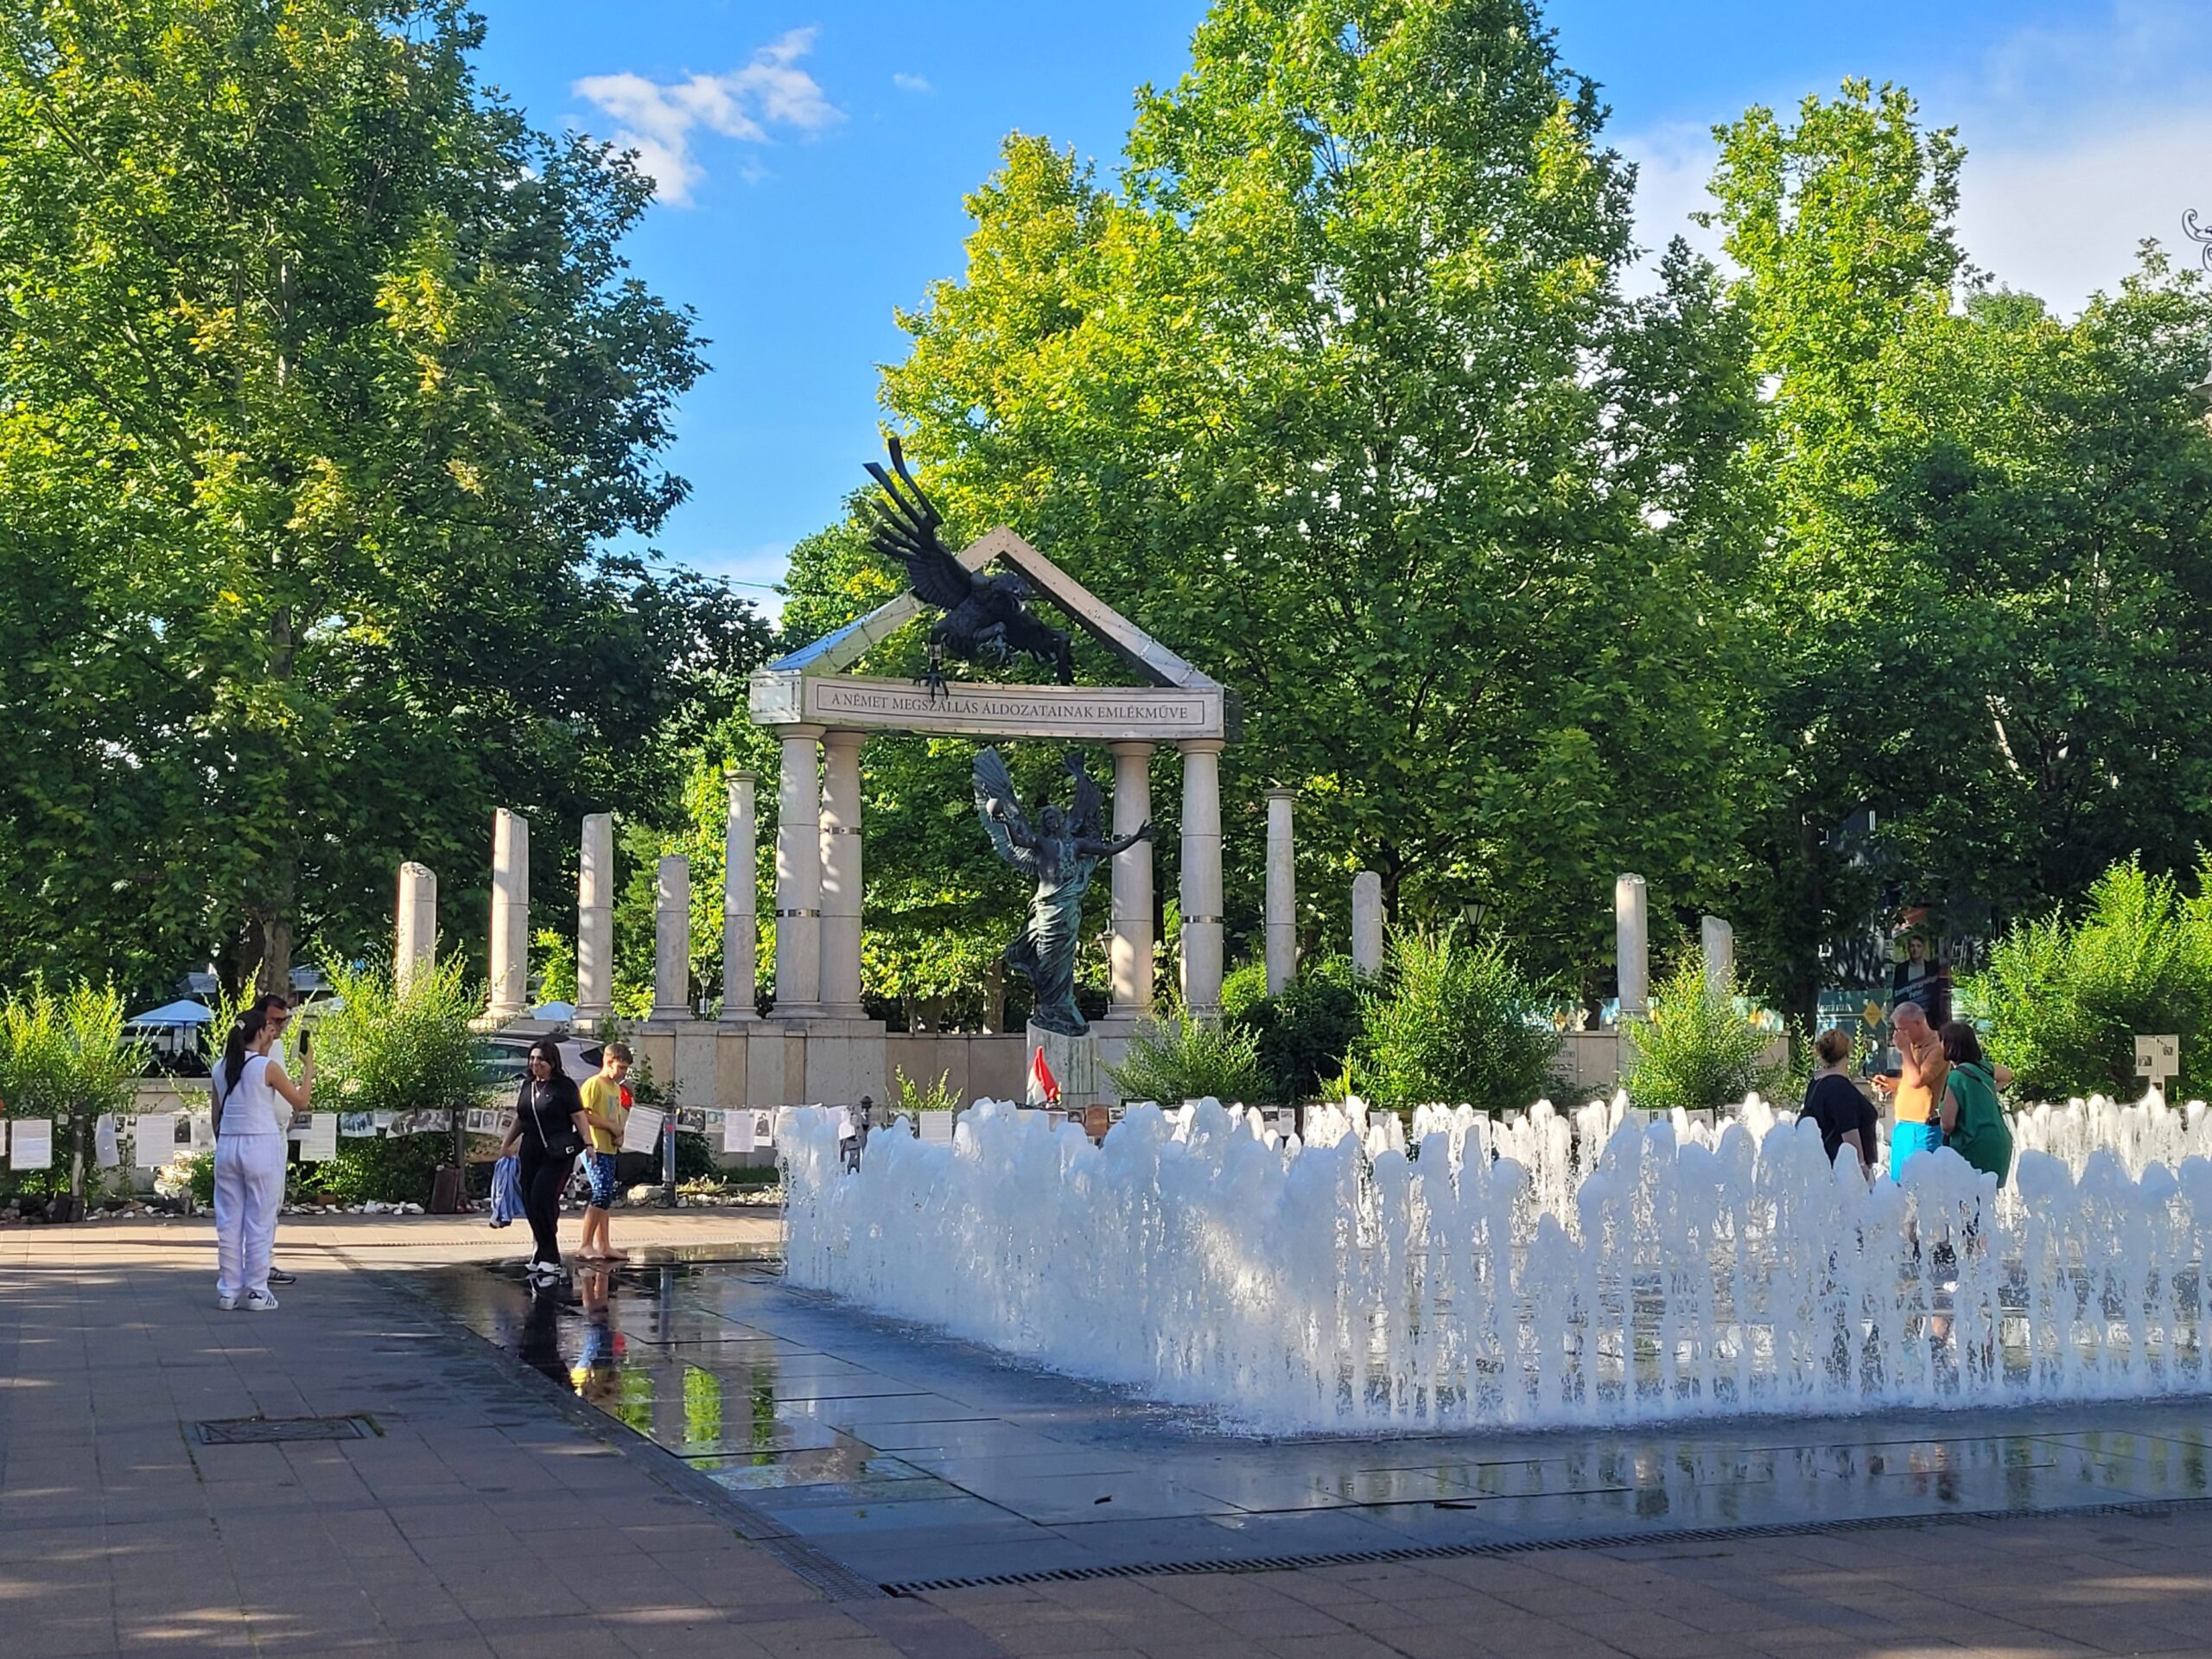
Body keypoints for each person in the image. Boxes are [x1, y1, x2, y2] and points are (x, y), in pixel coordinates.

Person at [213, 1004, 313, 1311]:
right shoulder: (266, 1067)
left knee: (229, 1221)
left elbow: (215, 1115)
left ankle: (227, 1291)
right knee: (260, 1219)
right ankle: (257, 1290)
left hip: (228, 1144)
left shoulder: (220, 1066)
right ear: (260, 1032)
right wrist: (309, 1067)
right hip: (260, 1144)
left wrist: (225, 1143)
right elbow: (301, 1102)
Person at [498, 1038, 588, 1282]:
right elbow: (520, 1118)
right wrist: (507, 1144)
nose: (536, 1063)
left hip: (557, 1153)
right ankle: (541, 1252)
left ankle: (551, 1256)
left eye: (541, 1060)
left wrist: (589, 1144)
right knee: (529, 1201)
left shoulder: (564, 1087)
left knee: (542, 1198)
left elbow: (578, 1117)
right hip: (530, 1151)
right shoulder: (528, 1085)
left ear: (552, 1062)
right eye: (533, 1059)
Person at [1872, 1000, 1948, 1181]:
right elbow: (1909, 1081)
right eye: (1897, 1030)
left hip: (1922, 1127)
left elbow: (1918, 1081)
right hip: (1903, 1126)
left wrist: (1905, 1049)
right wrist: (1891, 1083)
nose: (1899, 1035)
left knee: (1919, 1185)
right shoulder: (1915, 1047)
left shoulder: (1938, 1049)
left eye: (1903, 1029)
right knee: (1897, 1184)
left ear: (1919, 1023)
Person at [1938, 1020, 2013, 1188]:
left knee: (1967, 1202)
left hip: (1974, 1144)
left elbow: (1947, 1124)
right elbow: (2008, 1074)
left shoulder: (1957, 1077)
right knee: (1987, 1199)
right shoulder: (1984, 1067)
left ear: (1950, 1045)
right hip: (1999, 1141)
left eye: (1942, 1041)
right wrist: (1987, 1093)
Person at [577, 1043, 632, 1262]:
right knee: (601, 1191)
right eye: (621, 1068)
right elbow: (583, 1114)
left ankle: (604, 1244)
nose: (623, 1073)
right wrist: (610, 1127)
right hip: (594, 1146)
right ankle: (585, 1244)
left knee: (606, 1194)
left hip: (609, 1146)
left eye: (626, 1069)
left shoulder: (616, 1088)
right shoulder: (593, 1084)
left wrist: (619, 1134)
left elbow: (616, 1117)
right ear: (608, 1062)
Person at [1799, 1028, 1878, 1174]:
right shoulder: (1839, 1087)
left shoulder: (1816, 1082)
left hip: (1824, 1168)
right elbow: (1849, 1134)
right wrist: (1862, 1169)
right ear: (1848, 1055)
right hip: (1843, 1173)